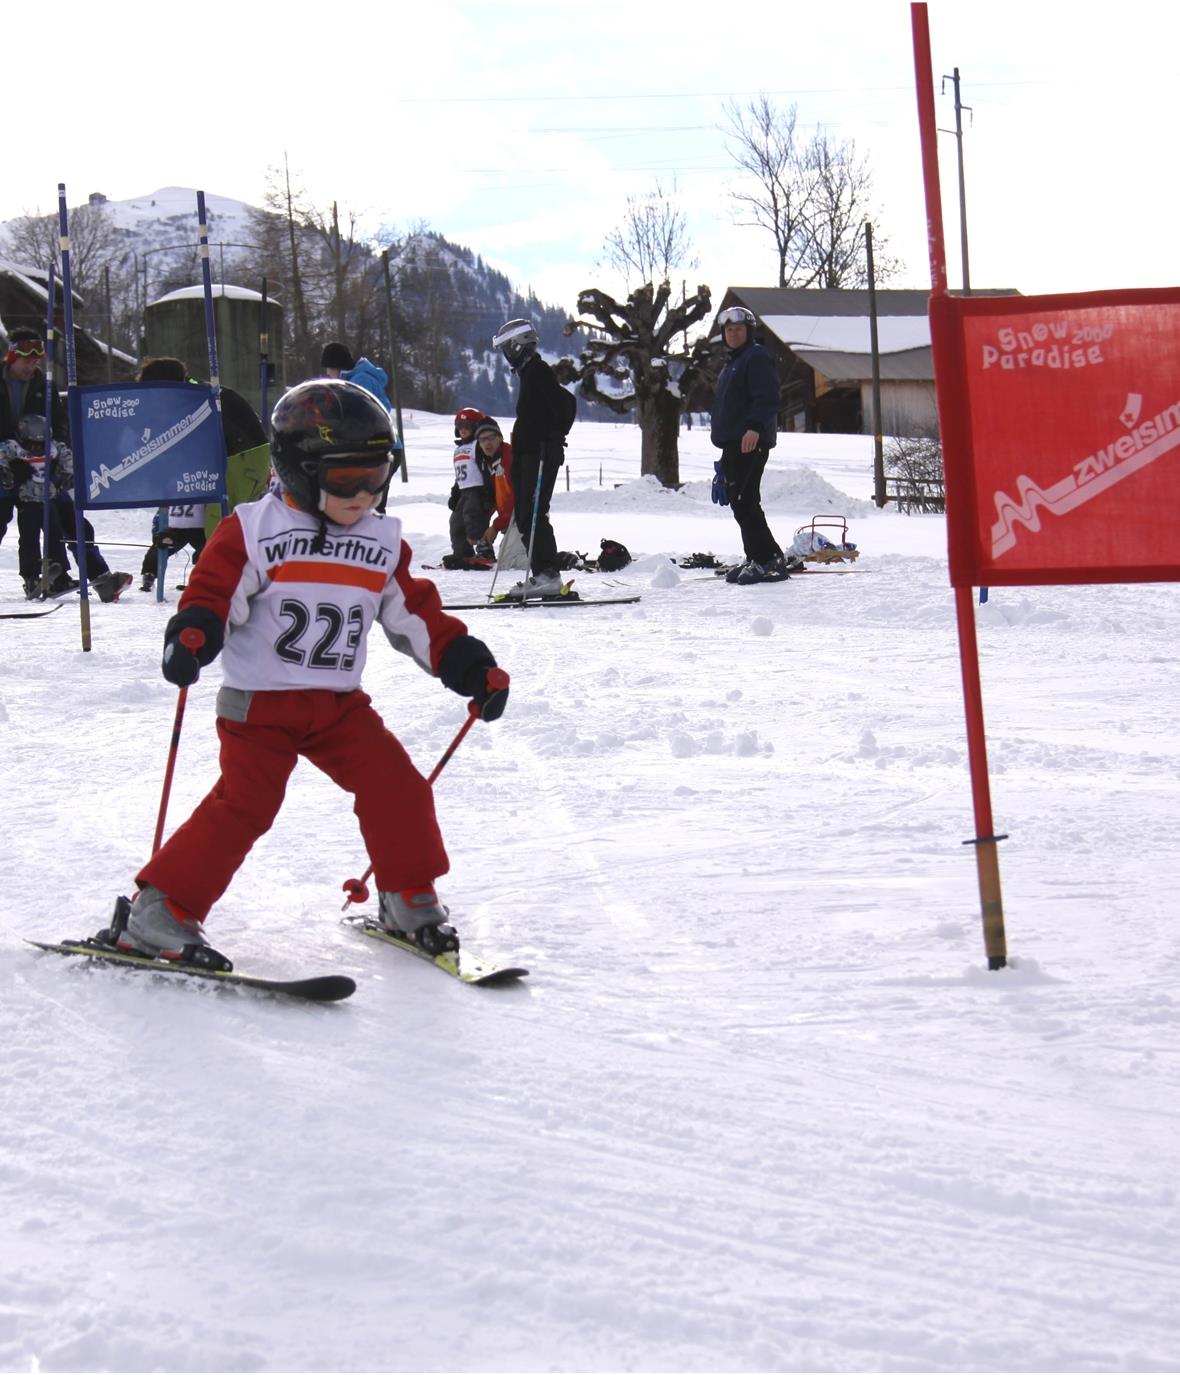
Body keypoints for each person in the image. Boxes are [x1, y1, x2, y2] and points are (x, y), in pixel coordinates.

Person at [104, 378, 510, 968]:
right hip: (259, 708)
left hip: (339, 708)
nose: (364, 495)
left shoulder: (378, 541)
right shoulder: (254, 530)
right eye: (347, 479)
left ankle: (408, 898)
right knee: (247, 803)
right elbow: (214, 590)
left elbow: (416, 616)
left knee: (397, 786)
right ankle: (158, 912)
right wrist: (194, 632)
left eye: (376, 477)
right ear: (298, 470)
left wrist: (467, 665)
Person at [491, 318, 573, 599]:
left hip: (539, 454)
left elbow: (560, 410)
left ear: (517, 346)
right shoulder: (529, 373)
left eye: (507, 348)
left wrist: (548, 442)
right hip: (528, 454)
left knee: (533, 514)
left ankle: (547, 574)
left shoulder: (538, 371)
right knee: (526, 515)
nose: (505, 355)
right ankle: (543, 574)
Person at [710, 306, 788, 585]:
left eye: (738, 329)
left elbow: (767, 396)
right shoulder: (733, 362)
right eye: (728, 330)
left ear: (749, 331)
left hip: (749, 441)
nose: (733, 334)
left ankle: (767, 560)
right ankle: (758, 556)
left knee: (745, 501)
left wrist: (754, 427)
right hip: (734, 442)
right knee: (740, 502)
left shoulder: (755, 357)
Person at [1, 328, 69, 560]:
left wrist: (56, 453)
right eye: (26, 362)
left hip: (36, 463)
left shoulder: (44, 385)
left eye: (35, 362)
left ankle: (58, 571)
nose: (31, 368)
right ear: (12, 358)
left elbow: (59, 423)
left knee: (56, 516)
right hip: (4, 459)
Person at [0, 414, 75, 597]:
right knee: (29, 539)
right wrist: (5, 472)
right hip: (27, 502)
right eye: (31, 445)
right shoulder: (15, 449)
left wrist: (67, 475)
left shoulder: (54, 449)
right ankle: (30, 575)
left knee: (55, 535)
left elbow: (69, 458)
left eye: (41, 445)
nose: (37, 450)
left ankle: (59, 574)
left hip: (49, 500)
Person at [472, 419, 521, 564]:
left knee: (512, 563)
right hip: (510, 519)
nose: (487, 443)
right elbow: (496, 499)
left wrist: (495, 526)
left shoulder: (508, 458)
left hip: (523, 518)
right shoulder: (489, 463)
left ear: (500, 438)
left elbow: (515, 499)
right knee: (509, 560)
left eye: (491, 438)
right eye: (482, 439)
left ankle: (563, 560)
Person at [447, 406, 491, 564]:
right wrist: (455, 493)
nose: (463, 430)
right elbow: (459, 475)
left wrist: (487, 493)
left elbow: (485, 470)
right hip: (464, 491)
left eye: (467, 426)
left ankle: (485, 552)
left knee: (475, 521)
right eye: (459, 426)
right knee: (456, 522)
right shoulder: (458, 449)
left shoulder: (477, 446)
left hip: (477, 490)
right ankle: (462, 553)